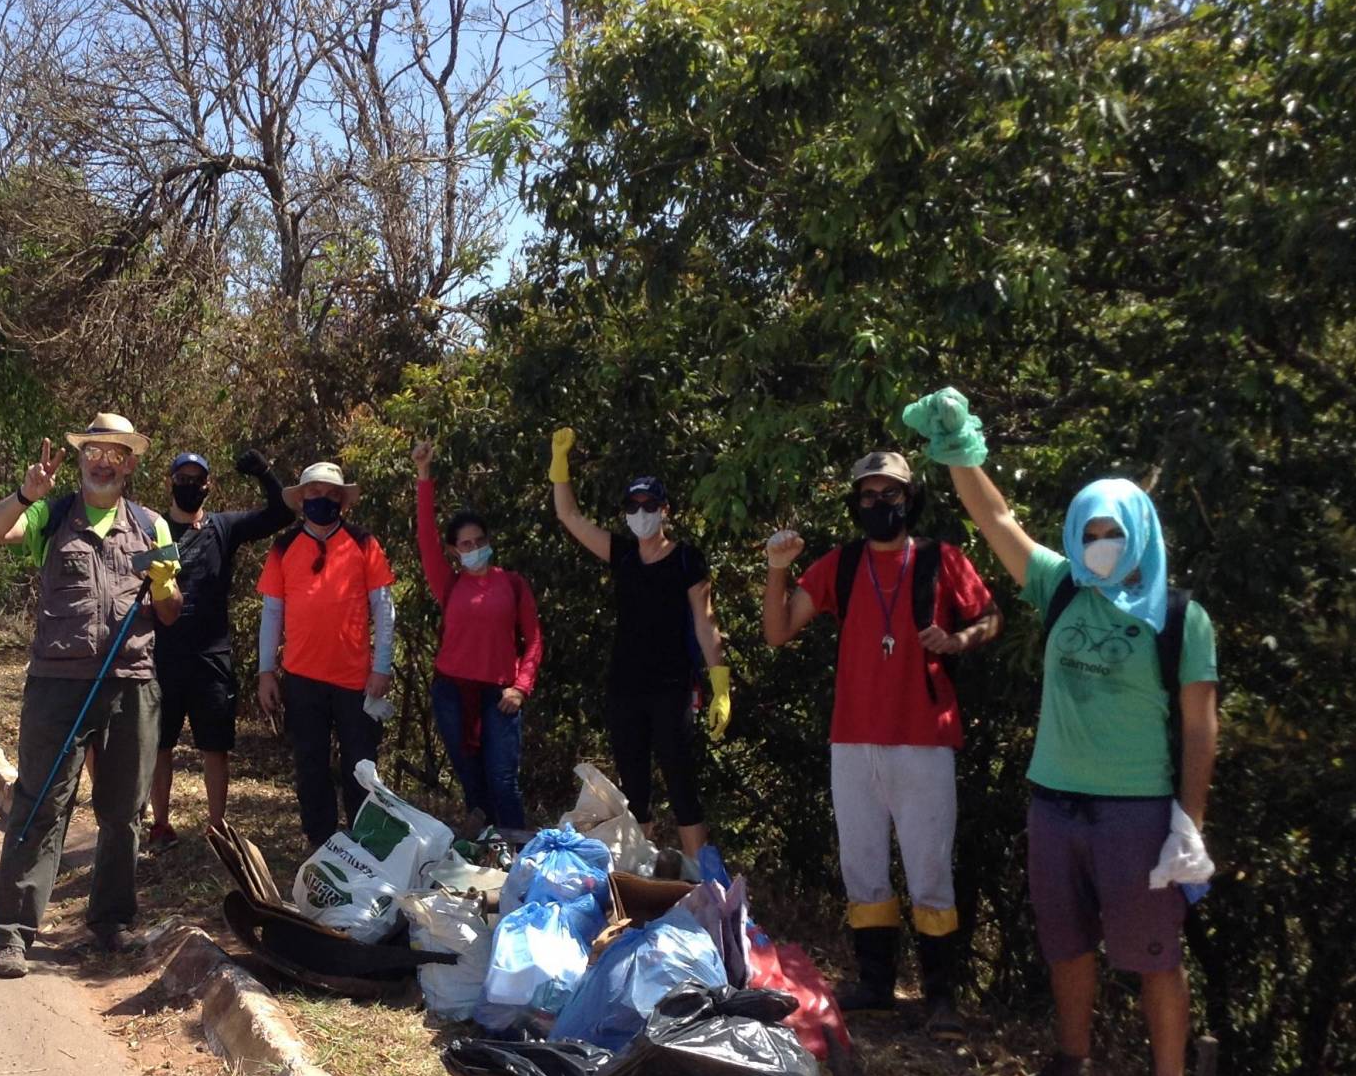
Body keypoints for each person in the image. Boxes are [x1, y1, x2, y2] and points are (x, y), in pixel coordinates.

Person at [904, 386, 1219, 1076]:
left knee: (1153, 954)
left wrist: (1190, 822)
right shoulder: (1062, 585)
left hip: (1136, 811)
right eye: (1091, 531)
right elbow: (997, 520)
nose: (1101, 543)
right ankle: (1071, 1066)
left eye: (1114, 532)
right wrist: (959, 448)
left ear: (1139, 534)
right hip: (1055, 802)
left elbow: (1199, 725)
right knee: (1067, 943)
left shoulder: (1180, 617)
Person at [762, 450, 1001, 1041]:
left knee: (930, 870)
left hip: (924, 738)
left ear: (909, 499)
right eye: (868, 495)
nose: (879, 504)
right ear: (855, 504)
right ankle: (875, 985)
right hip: (852, 739)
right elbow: (777, 631)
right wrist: (777, 569)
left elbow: (991, 618)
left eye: (890, 494)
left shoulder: (943, 560)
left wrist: (958, 640)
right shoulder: (842, 564)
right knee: (862, 864)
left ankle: (941, 997)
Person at [0, 413, 181, 976]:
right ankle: (13, 933)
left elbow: (170, 612)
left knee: (124, 812)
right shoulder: (52, 514)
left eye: (115, 453)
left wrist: (165, 584)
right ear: (82, 458)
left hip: (132, 682)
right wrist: (26, 494)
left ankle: (111, 923)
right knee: (41, 803)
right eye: (93, 451)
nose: (102, 462)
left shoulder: (153, 527)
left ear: (129, 464)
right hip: (57, 685)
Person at [549, 428, 730, 858]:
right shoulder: (624, 554)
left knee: (682, 786)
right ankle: (642, 878)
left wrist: (721, 685)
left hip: (671, 688)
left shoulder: (686, 559)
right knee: (634, 793)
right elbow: (569, 516)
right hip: (625, 688)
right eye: (633, 506)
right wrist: (560, 463)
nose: (641, 513)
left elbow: (706, 624)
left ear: (665, 510)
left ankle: (704, 884)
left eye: (650, 505)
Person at [145, 446, 292, 849]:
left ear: (208, 485)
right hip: (162, 655)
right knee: (159, 745)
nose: (189, 486)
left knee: (216, 746)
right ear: (170, 482)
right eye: (183, 479)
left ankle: (217, 828)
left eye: (197, 480)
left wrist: (264, 472)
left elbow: (282, 513)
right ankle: (160, 824)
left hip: (212, 656)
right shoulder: (153, 529)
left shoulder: (223, 527)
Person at [256, 462, 396, 846]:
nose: (323, 500)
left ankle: (367, 843)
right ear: (301, 499)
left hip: (357, 679)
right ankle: (322, 844)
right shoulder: (284, 547)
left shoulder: (363, 543)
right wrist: (266, 671)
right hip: (301, 678)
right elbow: (272, 612)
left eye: (332, 494)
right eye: (314, 493)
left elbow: (384, 609)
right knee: (310, 765)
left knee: (361, 766)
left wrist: (382, 667)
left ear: (343, 501)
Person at [412, 439, 543, 830]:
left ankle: (518, 853)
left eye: (480, 541)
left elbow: (534, 639)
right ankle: (485, 853)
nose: (474, 548)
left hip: (500, 695)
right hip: (452, 692)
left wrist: (521, 687)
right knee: (471, 780)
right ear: (455, 550)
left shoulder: (513, 584)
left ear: (489, 541)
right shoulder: (449, 583)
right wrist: (423, 475)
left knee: (503, 780)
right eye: (466, 544)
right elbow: (425, 537)